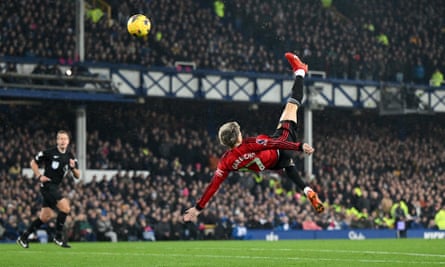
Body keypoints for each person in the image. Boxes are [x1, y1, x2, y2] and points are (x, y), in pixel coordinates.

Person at [183, 52, 324, 222]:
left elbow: (213, 186)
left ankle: (307, 190)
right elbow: (276, 142)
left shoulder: (226, 161)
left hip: (272, 164)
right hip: (281, 147)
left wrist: (198, 208)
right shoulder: (251, 143)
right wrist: (300, 146)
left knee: (288, 165)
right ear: (237, 135)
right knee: (292, 105)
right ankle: (300, 71)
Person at [17, 130, 80, 248]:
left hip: (55, 186)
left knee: (45, 217)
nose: (62, 141)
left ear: (68, 141)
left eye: (64, 139)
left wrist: (73, 168)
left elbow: (78, 176)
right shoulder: (49, 152)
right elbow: (33, 163)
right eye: (60, 139)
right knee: (65, 208)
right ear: (57, 141)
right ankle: (58, 237)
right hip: (47, 186)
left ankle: (23, 237)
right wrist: (39, 176)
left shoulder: (70, 156)